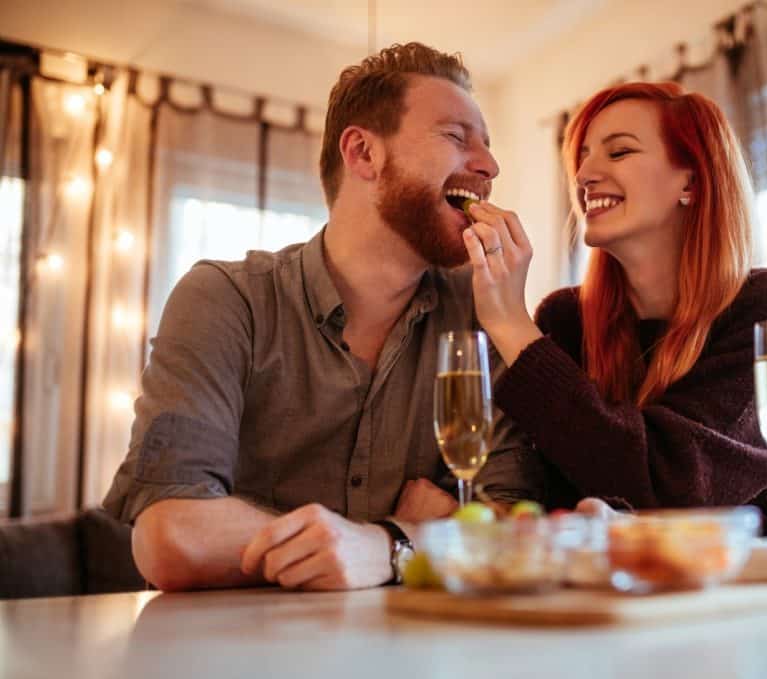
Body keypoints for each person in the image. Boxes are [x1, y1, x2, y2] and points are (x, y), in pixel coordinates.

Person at [103, 42, 543, 591]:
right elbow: (172, 534)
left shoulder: (483, 317)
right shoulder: (224, 300)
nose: (489, 166)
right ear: (362, 153)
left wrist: (382, 548)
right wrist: (403, 535)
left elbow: (515, 534)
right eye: (457, 137)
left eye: (486, 145)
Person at [460, 81, 767, 556]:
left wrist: (511, 323)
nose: (585, 174)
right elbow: (549, 494)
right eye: (584, 156)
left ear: (691, 182)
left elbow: (676, 489)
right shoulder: (564, 319)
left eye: (619, 153)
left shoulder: (764, 304)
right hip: (632, 584)